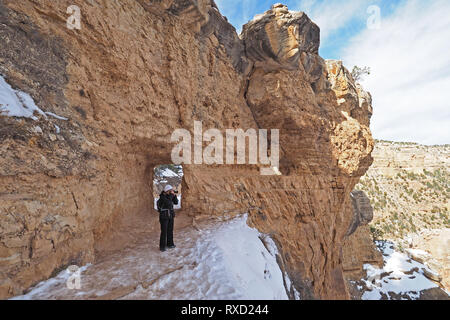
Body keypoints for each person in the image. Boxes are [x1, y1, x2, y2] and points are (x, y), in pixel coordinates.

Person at [156, 185, 179, 252]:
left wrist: (174, 196)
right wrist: (172, 195)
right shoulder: (162, 197)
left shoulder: (170, 196)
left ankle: (170, 244)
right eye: (171, 190)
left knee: (170, 230)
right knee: (164, 232)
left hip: (170, 215)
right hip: (164, 216)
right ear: (167, 191)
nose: (172, 191)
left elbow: (176, 202)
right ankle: (162, 246)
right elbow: (168, 203)